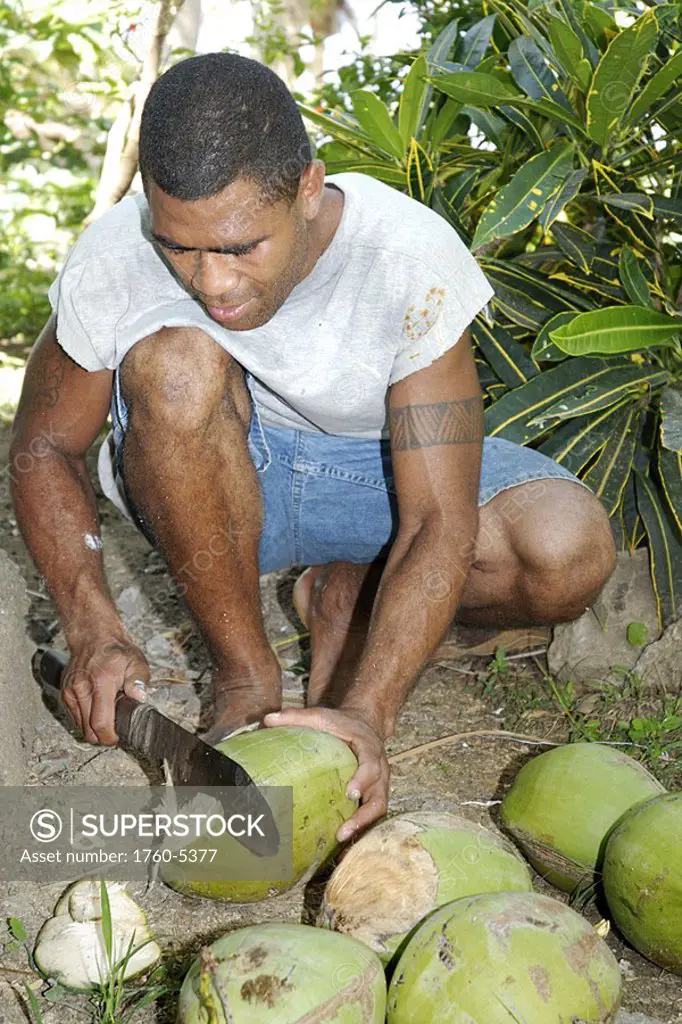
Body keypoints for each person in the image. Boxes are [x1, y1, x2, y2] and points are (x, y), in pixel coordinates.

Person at [11, 53, 616, 842]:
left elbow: (436, 516)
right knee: (176, 364)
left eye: (239, 247)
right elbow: (46, 445)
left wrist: (369, 714)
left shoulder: (407, 257)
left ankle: (348, 591)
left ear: (307, 189)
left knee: (566, 548)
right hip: (207, 473)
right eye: (180, 248)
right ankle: (244, 674)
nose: (211, 283)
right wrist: (91, 624)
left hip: (365, 475)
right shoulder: (116, 254)